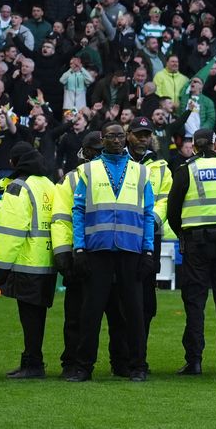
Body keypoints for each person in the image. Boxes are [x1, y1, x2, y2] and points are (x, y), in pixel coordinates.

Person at [67, 123, 155, 382]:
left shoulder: (141, 172)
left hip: (131, 250)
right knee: (91, 311)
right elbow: (78, 211)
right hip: (97, 250)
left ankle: (137, 365)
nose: (116, 140)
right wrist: (79, 247)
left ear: (125, 139)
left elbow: (148, 213)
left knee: (135, 312)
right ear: (102, 140)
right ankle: (84, 367)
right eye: (110, 136)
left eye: (119, 136)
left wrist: (148, 250)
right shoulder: (88, 171)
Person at [52, 131, 129, 379]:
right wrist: (66, 253)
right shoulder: (73, 180)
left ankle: (119, 363)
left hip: (110, 253)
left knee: (117, 316)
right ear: (84, 153)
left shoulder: (120, 173)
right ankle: (73, 362)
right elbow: (62, 218)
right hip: (83, 255)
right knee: (78, 317)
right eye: (94, 151)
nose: (97, 155)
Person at [167, 128, 216, 375]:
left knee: (195, 304)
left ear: (194, 146)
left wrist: (184, 233)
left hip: (196, 242)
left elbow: (172, 212)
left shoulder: (186, 170)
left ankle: (195, 361)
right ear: (215, 143)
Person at [0, 141, 57, 379]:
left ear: (15, 163)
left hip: (27, 262)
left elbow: (12, 232)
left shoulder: (18, 187)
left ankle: (33, 364)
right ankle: (32, 361)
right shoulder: (48, 184)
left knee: (28, 318)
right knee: (37, 318)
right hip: (48, 261)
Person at [127, 116, 170, 370]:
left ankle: (138, 357)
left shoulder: (161, 166)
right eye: (138, 134)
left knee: (146, 303)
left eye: (147, 134)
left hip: (148, 237)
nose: (143, 138)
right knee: (121, 302)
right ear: (128, 134)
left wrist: (152, 219)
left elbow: (165, 197)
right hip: (120, 236)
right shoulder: (116, 161)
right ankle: (123, 357)